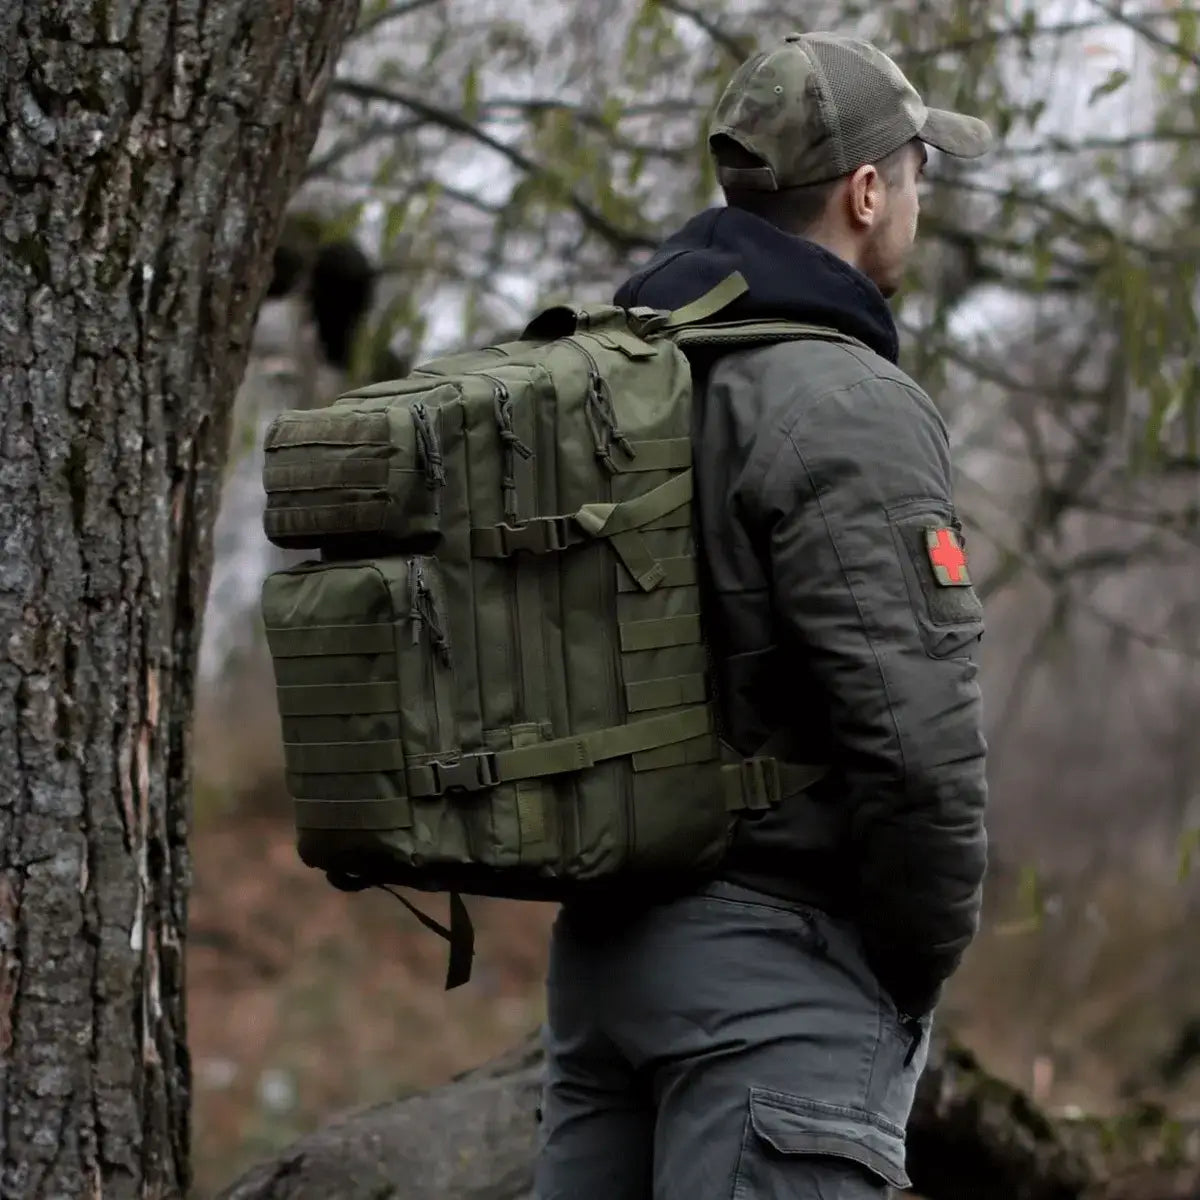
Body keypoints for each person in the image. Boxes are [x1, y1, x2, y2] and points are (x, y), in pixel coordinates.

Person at [535, 31, 992, 1200]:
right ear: (867, 190)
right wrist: (911, 967)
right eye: (919, 168)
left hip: (603, 963)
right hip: (778, 986)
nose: (921, 198)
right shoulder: (847, 403)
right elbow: (918, 745)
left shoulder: (618, 374)